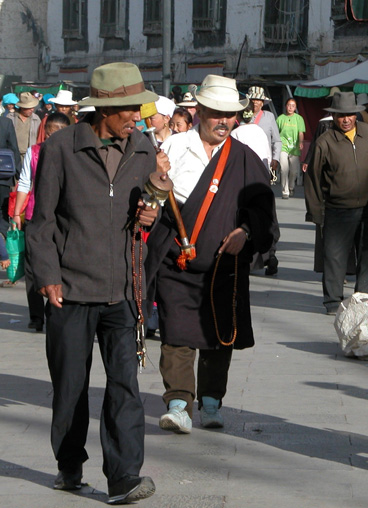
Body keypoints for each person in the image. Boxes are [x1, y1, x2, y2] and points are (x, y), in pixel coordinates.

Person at [27, 62, 166, 504]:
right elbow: (42, 220)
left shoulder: (143, 148)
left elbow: (149, 206)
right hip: (69, 290)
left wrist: (152, 212)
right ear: (103, 109)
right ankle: (69, 465)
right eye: (128, 109)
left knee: (125, 385)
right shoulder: (62, 148)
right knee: (70, 387)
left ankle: (124, 476)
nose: (136, 117)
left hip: (124, 289)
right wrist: (48, 277)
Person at [145, 74, 274, 433]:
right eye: (215, 113)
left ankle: (212, 400)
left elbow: (263, 210)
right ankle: (178, 402)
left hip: (224, 264)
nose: (222, 121)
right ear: (199, 110)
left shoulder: (245, 159)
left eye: (229, 115)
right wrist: (155, 181)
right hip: (177, 259)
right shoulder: (171, 149)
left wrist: (246, 232)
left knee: (220, 331)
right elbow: (150, 202)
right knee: (178, 332)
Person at [305, 91, 368, 315]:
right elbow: (312, 178)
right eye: (341, 115)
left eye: (350, 114)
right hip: (337, 209)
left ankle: (367, 300)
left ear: (356, 114)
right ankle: (333, 302)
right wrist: (315, 213)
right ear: (333, 117)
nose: (346, 119)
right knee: (334, 257)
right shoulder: (324, 142)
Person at [12, 112, 70, 331]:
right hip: (51, 216)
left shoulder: (35, 152)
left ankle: (39, 315)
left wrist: (18, 213)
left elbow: (25, 183)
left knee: (35, 267)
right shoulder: (67, 152)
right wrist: (17, 213)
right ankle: (46, 313)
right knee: (43, 265)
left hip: (39, 215)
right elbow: (25, 183)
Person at [247, 86, 281, 183]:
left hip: (264, 160)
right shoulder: (241, 117)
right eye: (252, 99)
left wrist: (276, 158)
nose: (255, 102)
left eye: (258, 100)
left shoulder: (269, 116)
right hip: (246, 159)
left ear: (262, 103)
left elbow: (276, 140)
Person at [276, 98, 305, 199]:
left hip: (294, 148)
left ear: (295, 107)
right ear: (285, 106)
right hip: (283, 147)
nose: (290, 107)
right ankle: (285, 191)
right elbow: (276, 133)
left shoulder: (299, 119)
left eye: (293, 106)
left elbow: (301, 132)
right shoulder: (280, 118)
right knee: (284, 169)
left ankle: (291, 187)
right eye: (289, 105)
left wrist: (301, 142)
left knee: (294, 171)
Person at [7, 92, 41, 163]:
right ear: (22, 107)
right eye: (29, 108)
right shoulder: (10, 117)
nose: (32, 109)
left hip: (29, 155)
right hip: (13, 154)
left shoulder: (36, 119)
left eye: (33, 107)